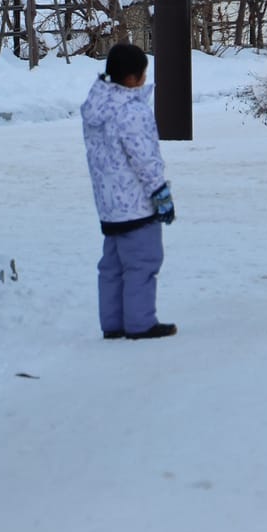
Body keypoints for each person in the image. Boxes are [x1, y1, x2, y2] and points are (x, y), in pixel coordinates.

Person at [80, 40, 177, 340]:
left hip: (109, 205)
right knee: (142, 262)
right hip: (136, 203)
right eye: (143, 74)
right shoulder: (131, 111)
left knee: (112, 266)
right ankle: (140, 323)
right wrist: (160, 194)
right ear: (133, 78)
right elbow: (144, 159)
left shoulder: (96, 107)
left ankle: (113, 323)